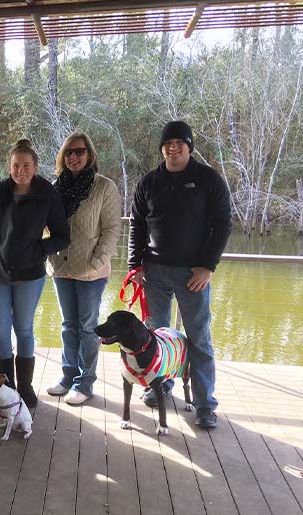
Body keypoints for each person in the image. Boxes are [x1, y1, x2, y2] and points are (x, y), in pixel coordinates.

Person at [128, 120, 232, 429]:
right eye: (168, 143)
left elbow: (223, 225)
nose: (173, 148)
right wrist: (135, 265)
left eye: (180, 143)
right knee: (155, 337)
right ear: (161, 147)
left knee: (198, 338)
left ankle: (204, 404)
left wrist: (207, 266)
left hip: (192, 274)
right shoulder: (148, 182)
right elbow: (137, 224)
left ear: (189, 146)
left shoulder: (208, 180)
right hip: (154, 272)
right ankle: (160, 387)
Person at [0, 139, 70, 408]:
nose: (21, 170)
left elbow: (63, 236)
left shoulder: (47, 195)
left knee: (24, 329)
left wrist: (39, 249)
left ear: (35, 167)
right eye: (16, 165)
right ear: (10, 166)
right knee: (1, 333)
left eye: (26, 165)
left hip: (30, 275)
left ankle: (25, 388)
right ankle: (8, 388)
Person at [46, 132, 122, 406]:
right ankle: (68, 376)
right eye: (69, 152)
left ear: (89, 155)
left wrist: (98, 260)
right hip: (61, 267)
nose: (74, 157)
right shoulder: (56, 187)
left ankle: (84, 383)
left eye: (79, 152)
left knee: (88, 327)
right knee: (68, 326)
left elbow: (113, 229)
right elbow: (46, 225)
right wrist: (47, 253)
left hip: (90, 271)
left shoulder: (104, 187)